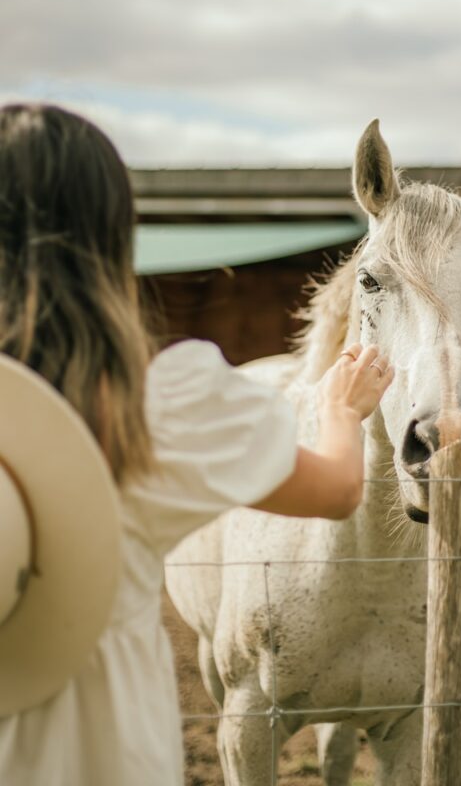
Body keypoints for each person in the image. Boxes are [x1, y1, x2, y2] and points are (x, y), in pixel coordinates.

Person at [0, 102, 393, 785]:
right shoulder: (162, 405)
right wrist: (341, 409)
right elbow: (336, 490)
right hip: (102, 737)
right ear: (112, 238)